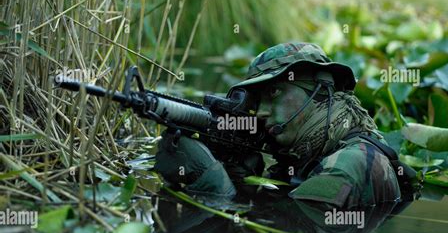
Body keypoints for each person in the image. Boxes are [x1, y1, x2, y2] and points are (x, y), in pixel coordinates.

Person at [154, 42, 415, 217]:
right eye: (258, 102)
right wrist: (238, 173)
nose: (263, 111)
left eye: (274, 93)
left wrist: (214, 185)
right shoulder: (307, 155)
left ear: (319, 91)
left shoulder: (350, 164)